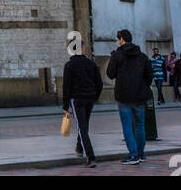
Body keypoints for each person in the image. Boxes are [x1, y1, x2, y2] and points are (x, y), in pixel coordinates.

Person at [106, 28, 153, 164]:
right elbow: (149, 75)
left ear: (121, 39)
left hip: (124, 96)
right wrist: (143, 86)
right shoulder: (142, 56)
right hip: (140, 95)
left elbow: (110, 74)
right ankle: (141, 153)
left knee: (127, 126)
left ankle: (133, 155)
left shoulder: (117, 56)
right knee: (140, 125)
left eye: (118, 39)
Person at [62, 44, 103, 168]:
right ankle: (79, 148)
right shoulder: (91, 64)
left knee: (82, 127)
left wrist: (65, 105)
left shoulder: (69, 66)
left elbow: (66, 87)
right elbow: (99, 83)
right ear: (82, 49)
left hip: (77, 99)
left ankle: (91, 157)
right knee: (84, 125)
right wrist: (95, 96)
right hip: (90, 98)